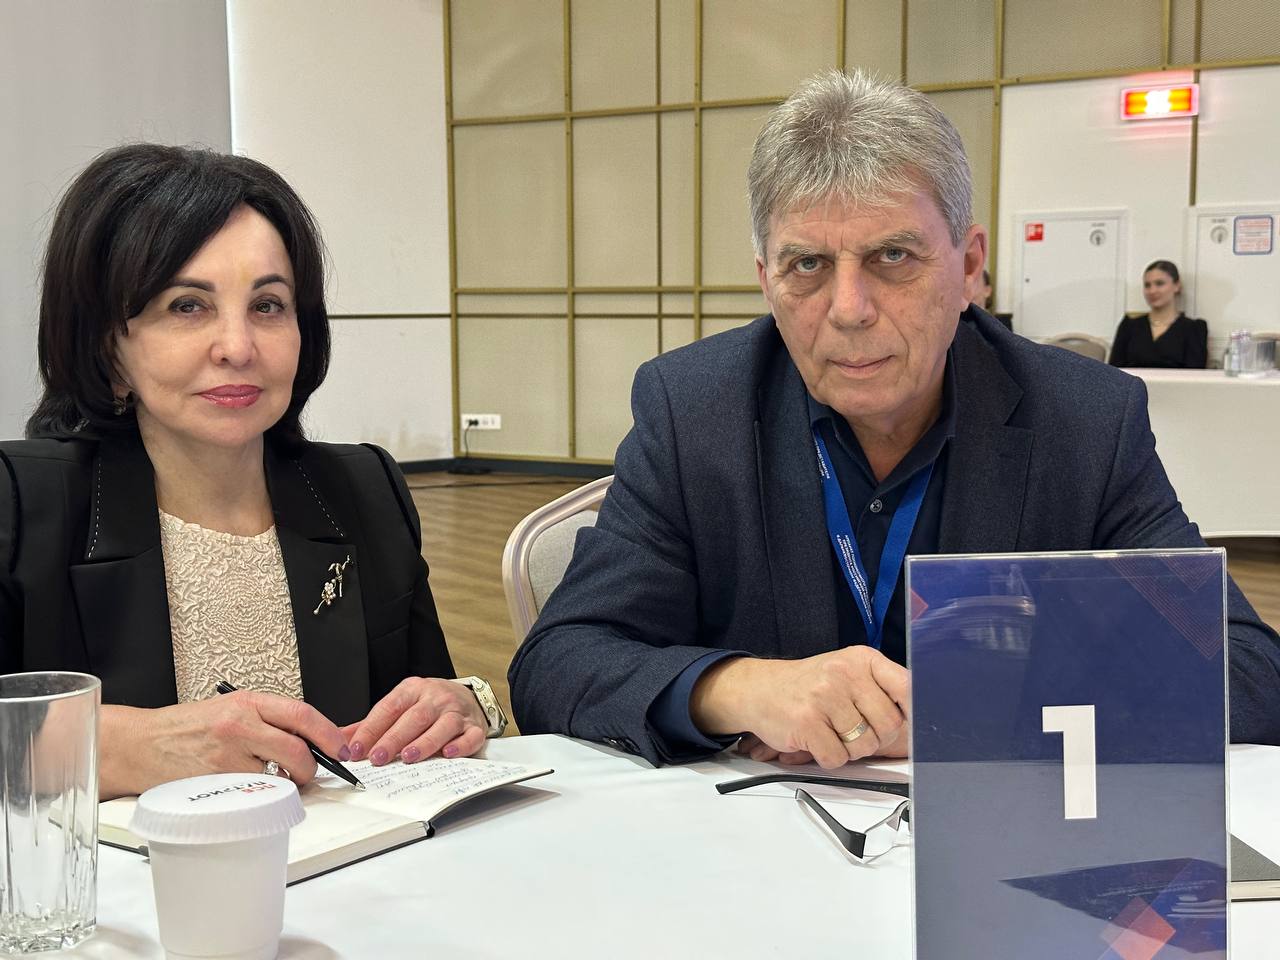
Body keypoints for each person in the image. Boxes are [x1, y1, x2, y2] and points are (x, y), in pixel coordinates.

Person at [508, 70, 1280, 768]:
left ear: (969, 266)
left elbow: (1246, 671)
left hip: (1003, 843)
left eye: (893, 258)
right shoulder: (694, 412)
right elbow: (559, 662)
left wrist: (967, 710)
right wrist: (741, 688)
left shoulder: (1084, 421)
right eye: (808, 265)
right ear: (767, 280)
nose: (849, 310)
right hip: (757, 846)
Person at [0, 145, 506, 799]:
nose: (238, 347)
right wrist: (124, 745)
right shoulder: (22, 503)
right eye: (187, 306)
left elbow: (421, 716)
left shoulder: (361, 490)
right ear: (110, 348)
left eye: (268, 305)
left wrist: (464, 704)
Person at [1108, 260, 1208, 368]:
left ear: (1177, 286)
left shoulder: (1194, 328)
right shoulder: (1129, 326)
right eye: (1147, 285)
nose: (1152, 291)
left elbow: (1195, 371)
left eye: (1159, 283)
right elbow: (1113, 369)